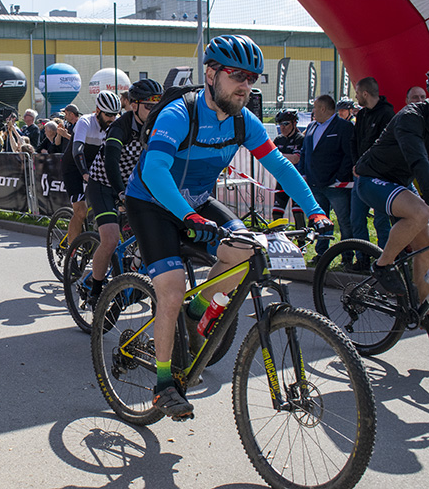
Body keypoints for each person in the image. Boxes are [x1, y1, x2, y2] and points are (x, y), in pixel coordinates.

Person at [125, 34, 330, 418]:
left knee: (247, 248)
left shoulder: (244, 121)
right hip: (152, 202)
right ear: (210, 74)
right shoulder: (179, 114)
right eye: (236, 74)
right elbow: (154, 171)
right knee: (170, 291)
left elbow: (281, 167)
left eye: (251, 78)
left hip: (198, 202)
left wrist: (315, 210)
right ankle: (165, 384)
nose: (244, 85)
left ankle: (197, 310)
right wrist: (187, 216)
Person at [85, 79, 163, 307]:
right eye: (148, 106)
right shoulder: (120, 126)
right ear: (134, 105)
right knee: (109, 239)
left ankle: (134, 273)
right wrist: (120, 193)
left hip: (130, 184)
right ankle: (96, 289)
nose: (153, 112)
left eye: (156, 107)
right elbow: (111, 162)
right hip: (103, 185)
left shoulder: (158, 126)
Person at [354, 99, 429, 299]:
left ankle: (422, 312)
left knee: (426, 249)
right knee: (421, 212)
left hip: (400, 184)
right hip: (373, 179)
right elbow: (419, 161)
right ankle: (383, 265)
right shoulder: (411, 117)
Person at [61, 91, 122, 250]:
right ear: (97, 111)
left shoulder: (115, 124)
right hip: (74, 167)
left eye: (115, 115)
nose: (112, 119)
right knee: (80, 212)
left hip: (96, 168)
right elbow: (77, 150)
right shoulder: (85, 122)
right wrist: (85, 173)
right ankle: (71, 252)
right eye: (108, 115)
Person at [298, 94, 354, 263]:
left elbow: (349, 155)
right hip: (315, 184)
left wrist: (339, 177)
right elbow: (305, 152)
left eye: (315, 108)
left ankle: (347, 256)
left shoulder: (344, 127)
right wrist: (303, 173)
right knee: (320, 221)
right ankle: (321, 254)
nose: (313, 111)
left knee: (344, 221)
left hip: (336, 186)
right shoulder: (312, 126)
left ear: (323, 108)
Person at [350, 77, 395, 262]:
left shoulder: (387, 114)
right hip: (360, 175)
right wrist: (356, 164)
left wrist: (367, 166)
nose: (356, 96)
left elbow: (384, 148)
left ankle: (386, 261)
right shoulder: (361, 115)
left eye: (358, 93)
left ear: (365, 94)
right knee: (356, 219)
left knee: (381, 221)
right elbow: (354, 142)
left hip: (379, 177)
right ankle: (362, 260)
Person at [271, 109, 306, 233]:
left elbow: (295, 159)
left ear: (294, 123)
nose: (282, 127)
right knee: (276, 213)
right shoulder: (278, 140)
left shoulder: (300, 138)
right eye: (280, 124)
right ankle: (279, 241)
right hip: (282, 180)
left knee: (297, 213)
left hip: (297, 180)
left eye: (286, 124)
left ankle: (302, 243)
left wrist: (277, 156)